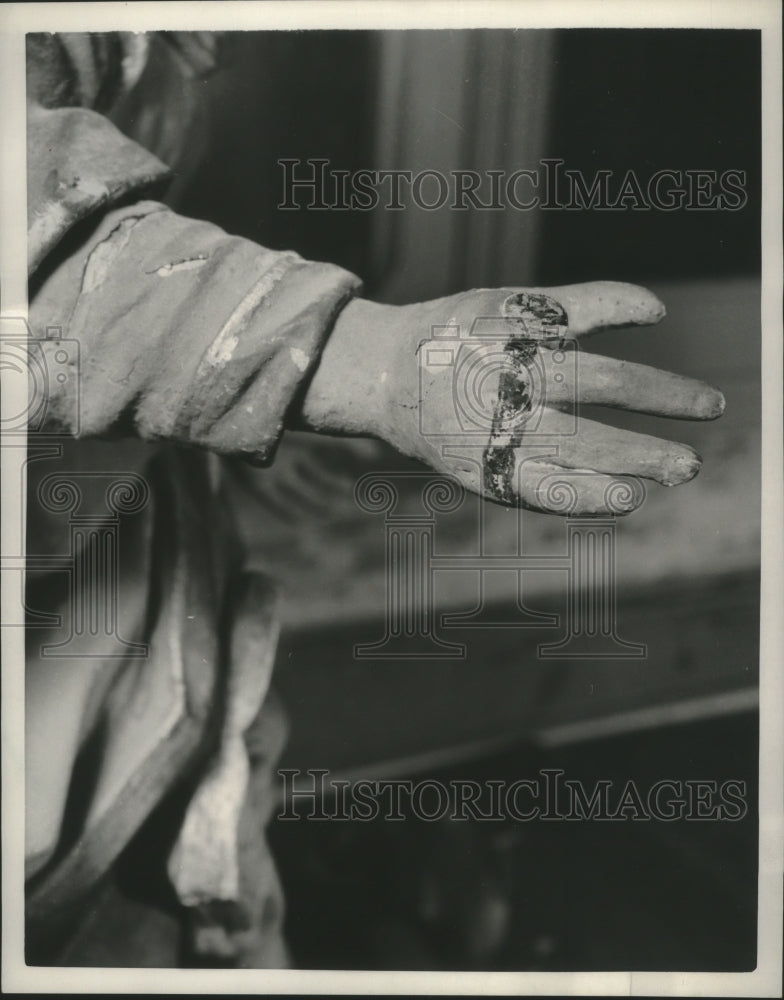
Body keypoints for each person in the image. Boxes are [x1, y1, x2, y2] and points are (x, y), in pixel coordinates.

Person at [22, 30, 725, 967]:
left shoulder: (157, 58)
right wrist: (368, 366)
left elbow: (80, 386)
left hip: (151, 751)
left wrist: (239, 458)